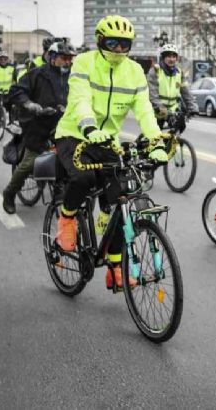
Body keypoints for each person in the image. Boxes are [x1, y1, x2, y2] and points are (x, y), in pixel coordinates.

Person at [54, 16, 168, 290]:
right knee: (81, 179)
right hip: (75, 132)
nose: (118, 50)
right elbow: (79, 98)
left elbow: (144, 110)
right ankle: (67, 217)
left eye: (124, 44)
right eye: (112, 43)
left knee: (121, 200)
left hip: (108, 141)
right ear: (100, 41)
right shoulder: (84, 62)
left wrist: (157, 142)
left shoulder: (135, 71)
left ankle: (115, 266)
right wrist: (89, 127)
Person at [1, 41, 74, 214]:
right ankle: (9, 193)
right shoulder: (37, 74)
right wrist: (31, 105)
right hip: (38, 126)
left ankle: (62, 194)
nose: (67, 62)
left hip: (64, 126)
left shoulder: (74, 77)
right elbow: (16, 91)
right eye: (63, 58)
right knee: (28, 164)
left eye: (70, 59)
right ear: (52, 57)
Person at [147, 43, 194, 126]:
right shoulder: (155, 71)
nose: (171, 59)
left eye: (174, 57)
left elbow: (185, 91)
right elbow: (152, 95)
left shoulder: (179, 72)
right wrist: (163, 110)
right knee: (154, 135)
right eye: (168, 56)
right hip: (156, 110)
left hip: (172, 110)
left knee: (179, 128)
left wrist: (192, 106)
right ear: (163, 58)